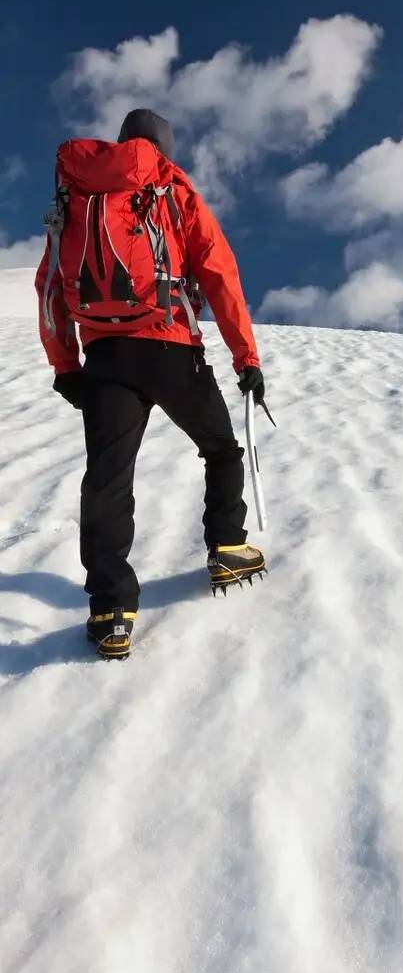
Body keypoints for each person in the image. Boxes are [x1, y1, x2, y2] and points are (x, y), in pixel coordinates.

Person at [36, 108, 269, 660]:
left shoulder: (78, 194)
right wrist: (246, 358)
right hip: (171, 347)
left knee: (108, 480)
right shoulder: (169, 186)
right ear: (162, 145)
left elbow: (49, 286)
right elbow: (219, 272)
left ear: (121, 142)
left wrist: (65, 365)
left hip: (106, 356)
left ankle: (111, 608)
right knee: (220, 448)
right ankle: (227, 546)